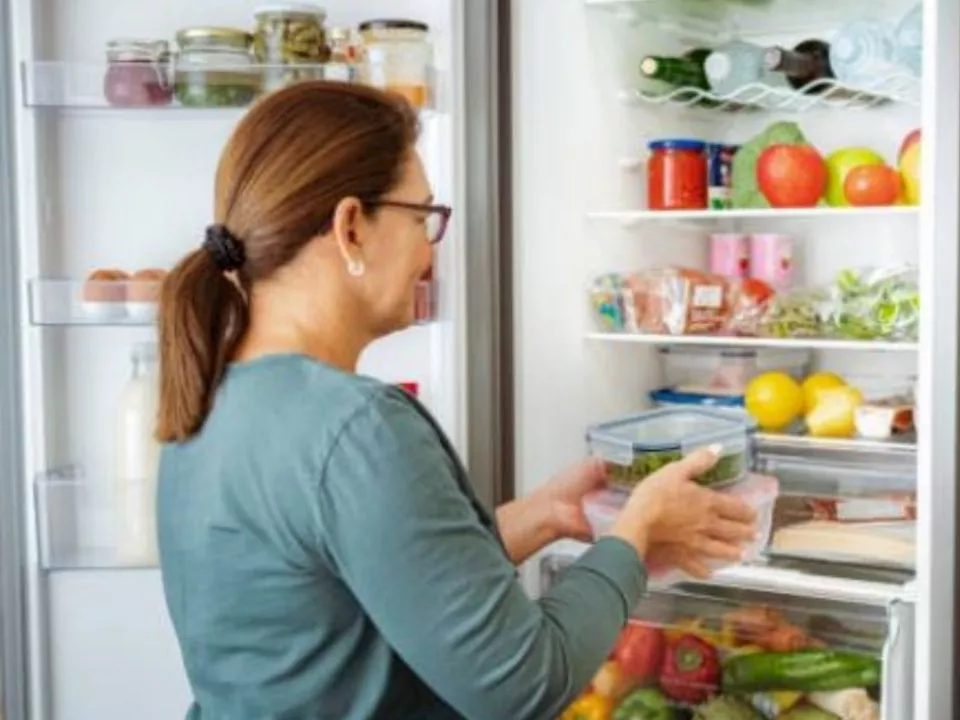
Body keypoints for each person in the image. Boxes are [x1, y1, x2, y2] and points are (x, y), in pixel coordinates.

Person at [153, 81, 758, 720]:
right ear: (351, 227)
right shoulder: (356, 428)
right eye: (422, 218)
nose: (427, 250)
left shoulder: (209, 398)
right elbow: (526, 682)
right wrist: (636, 533)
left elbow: (374, 588)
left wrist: (545, 515)